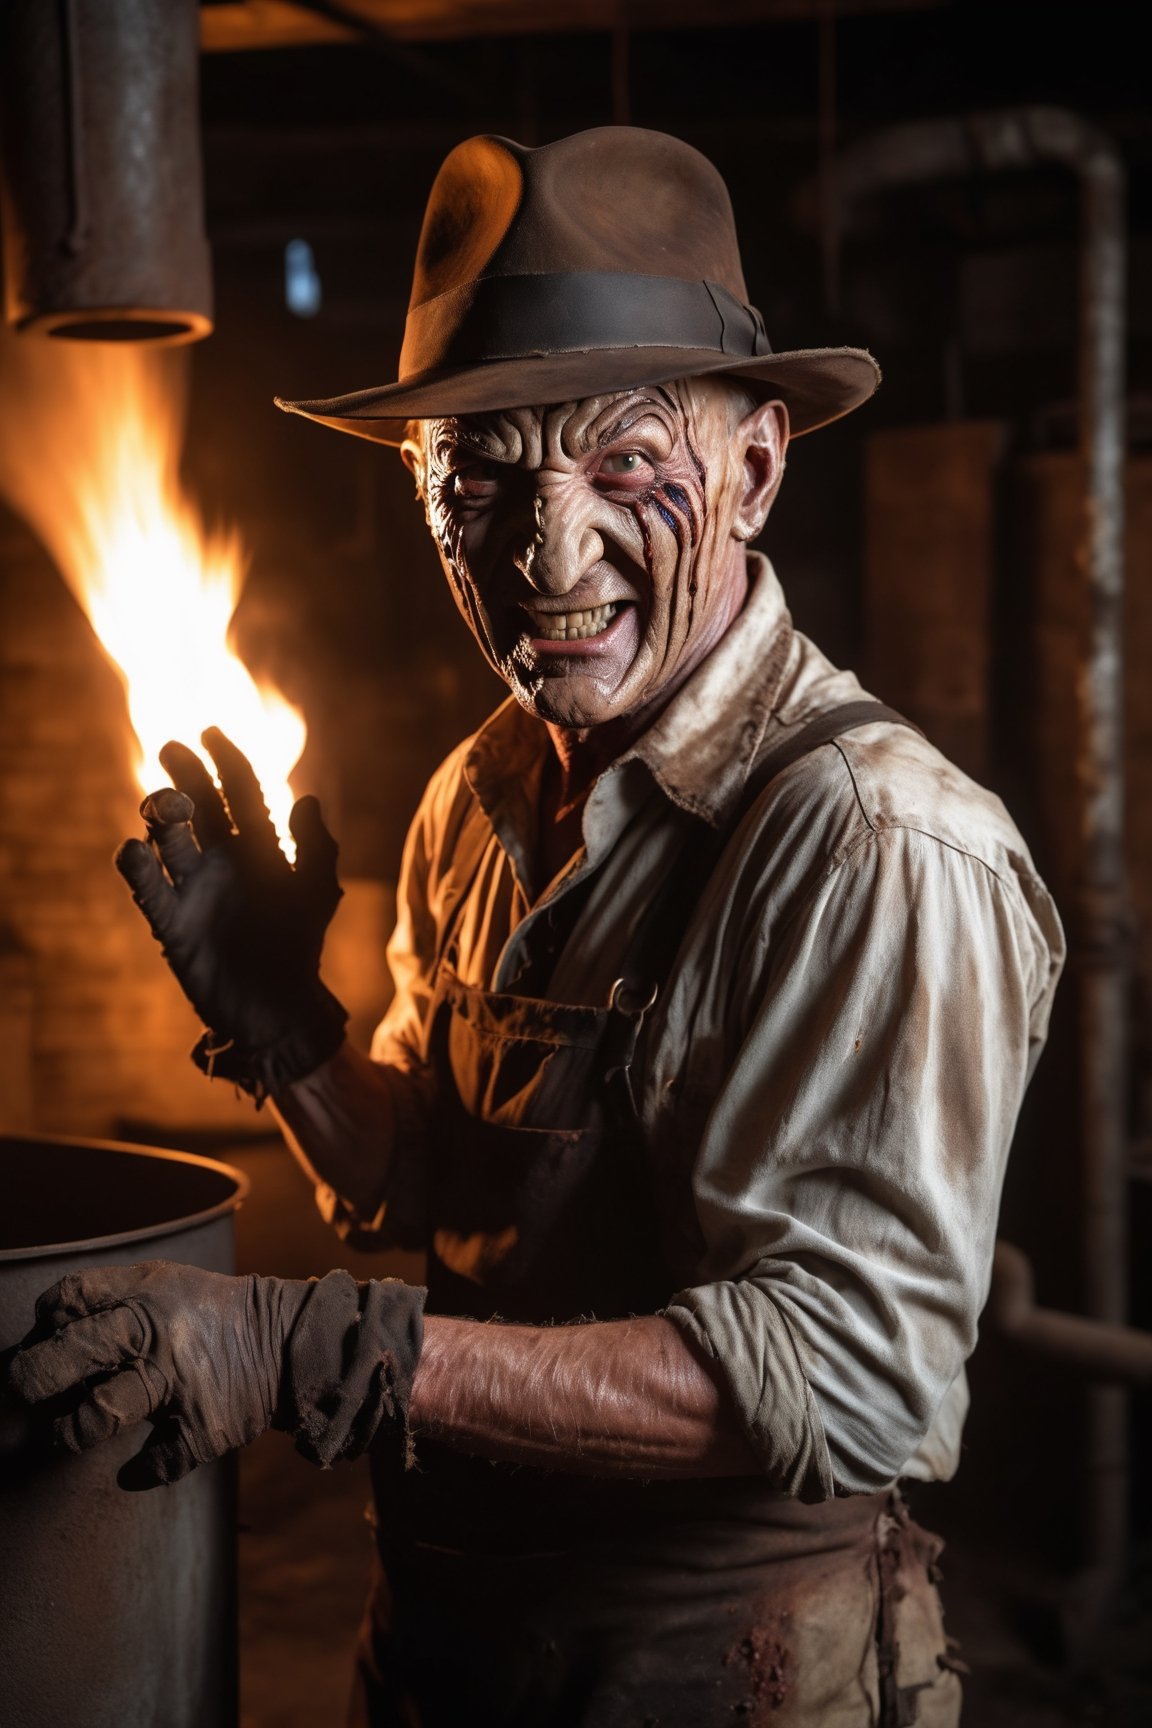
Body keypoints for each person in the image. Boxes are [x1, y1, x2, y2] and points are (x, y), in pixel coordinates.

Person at [7, 128, 1064, 1727]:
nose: (547, 553)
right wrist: (289, 1034)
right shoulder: (481, 794)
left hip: (727, 1682)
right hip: (445, 1654)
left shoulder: (870, 843)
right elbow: (424, 1181)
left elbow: (853, 1383)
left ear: (758, 464)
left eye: (628, 466)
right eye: (484, 472)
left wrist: (309, 1349)